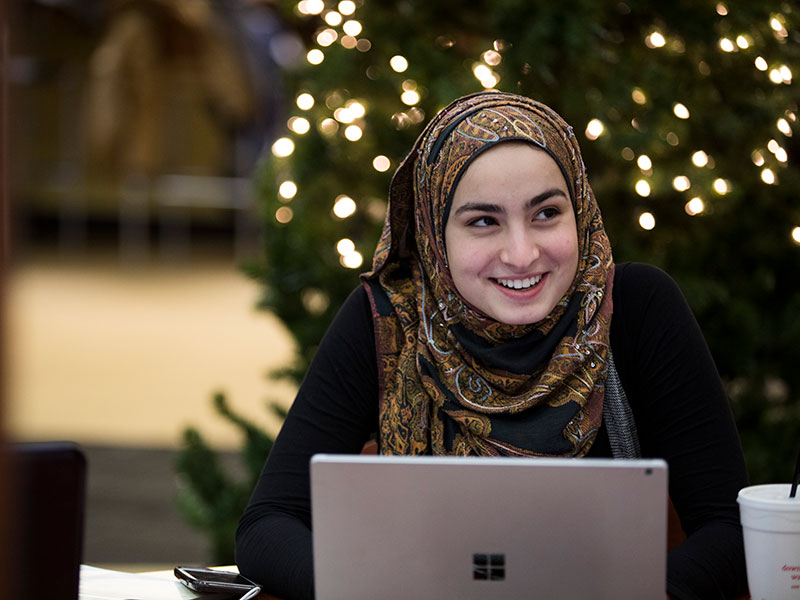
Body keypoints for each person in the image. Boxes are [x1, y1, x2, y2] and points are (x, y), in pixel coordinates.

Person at [236, 91, 749, 599]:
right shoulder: (389, 320)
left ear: (580, 211)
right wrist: (372, 591)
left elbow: (729, 529)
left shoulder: (637, 309)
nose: (522, 254)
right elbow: (266, 525)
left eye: (546, 213)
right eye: (483, 221)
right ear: (436, 234)